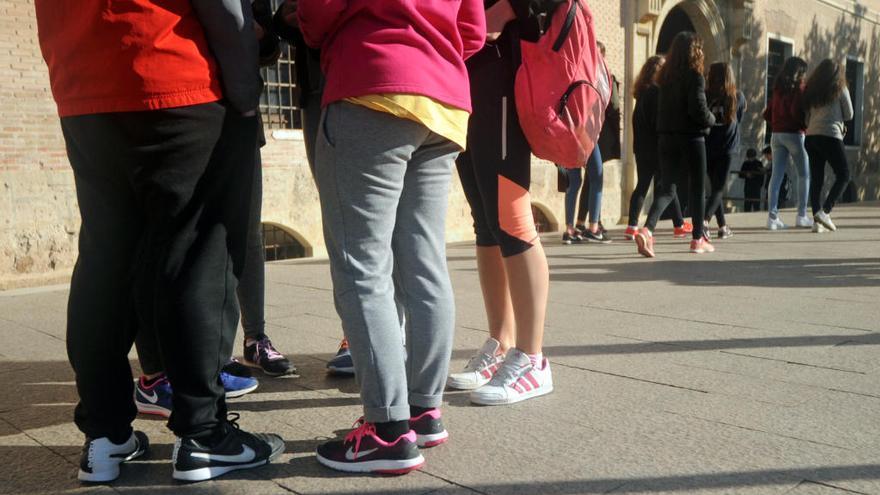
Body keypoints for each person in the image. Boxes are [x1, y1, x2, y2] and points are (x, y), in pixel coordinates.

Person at [34, 0, 283, 483]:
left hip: (83, 85)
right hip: (176, 74)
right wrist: (247, 94)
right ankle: (204, 436)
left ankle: (105, 438)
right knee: (198, 257)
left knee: (105, 262)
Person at [297, 0, 485, 474]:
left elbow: (316, 18)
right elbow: (473, 31)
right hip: (443, 101)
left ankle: (387, 430)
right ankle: (422, 409)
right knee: (424, 261)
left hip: (372, 83)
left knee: (362, 266)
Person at [447, 0, 559, 407]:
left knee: (511, 217)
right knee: (485, 221)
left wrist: (506, 9)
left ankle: (533, 358)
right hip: (463, 73)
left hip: (502, 69)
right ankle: (502, 341)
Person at [274, 0, 354, 376]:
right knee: (344, 226)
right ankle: (359, 334)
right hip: (320, 89)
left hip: (356, 84)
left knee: (364, 231)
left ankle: (370, 338)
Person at [635, 31, 715, 258]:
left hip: (666, 138)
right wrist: (712, 119)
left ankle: (647, 229)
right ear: (695, 51)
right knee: (697, 189)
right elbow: (697, 109)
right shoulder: (695, 76)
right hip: (691, 138)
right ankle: (697, 240)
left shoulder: (664, 79)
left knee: (667, 188)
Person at [626, 55, 692, 240]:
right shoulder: (656, 92)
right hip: (656, 149)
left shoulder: (642, 93)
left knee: (649, 186)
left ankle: (633, 226)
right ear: (657, 71)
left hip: (641, 149)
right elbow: (659, 123)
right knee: (668, 187)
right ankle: (672, 226)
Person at [803, 59, 854, 233]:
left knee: (817, 178)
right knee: (844, 174)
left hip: (811, 136)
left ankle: (816, 221)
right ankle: (825, 211)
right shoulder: (839, 88)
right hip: (831, 135)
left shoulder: (811, 89)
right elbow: (849, 113)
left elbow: (806, 116)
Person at [572, 41, 615, 242]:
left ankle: (577, 226)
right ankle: (592, 226)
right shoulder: (594, 74)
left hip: (578, 130)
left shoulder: (579, 69)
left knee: (579, 180)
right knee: (594, 177)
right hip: (587, 131)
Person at [763, 56, 811, 230]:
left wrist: (777, 122)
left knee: (776, 175)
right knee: (804, 174)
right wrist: (804, 125)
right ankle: (802, 216)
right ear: (799, 72)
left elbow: (767, 113)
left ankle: (772, 218)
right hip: (794, 134)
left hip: (776, 135)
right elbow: (796, 111)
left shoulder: (777, 88)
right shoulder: (799, 88)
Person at [704, 62, 746, 240]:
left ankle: (722, 227)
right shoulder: (737, 96)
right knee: (719, 188)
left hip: (708, 146)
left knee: (715, 187)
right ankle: (704, 222)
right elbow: (740, 119)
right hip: (727, 147)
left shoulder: (705, 95)